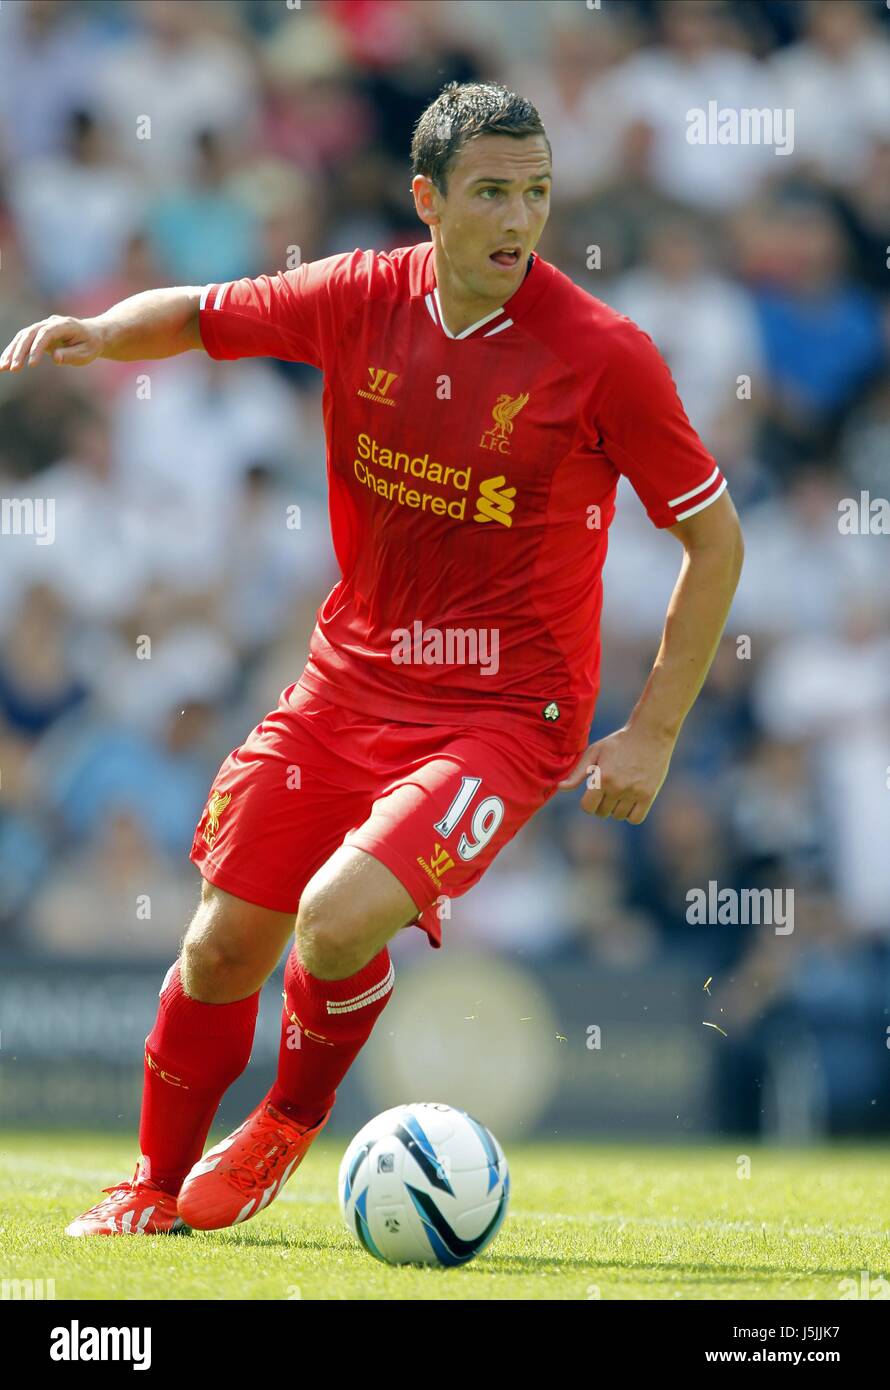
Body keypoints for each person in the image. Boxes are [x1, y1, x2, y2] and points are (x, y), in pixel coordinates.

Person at [0, 82, 743, 1237]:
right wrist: (102, 334)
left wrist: (650, 727)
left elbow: (712, 536)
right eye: (490, 191)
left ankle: (287, 1121)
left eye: (536, 192)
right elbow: (198, 314)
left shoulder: (603, 357)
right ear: (427, 201)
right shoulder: (357, 296)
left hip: (507, 712)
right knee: (219, 943)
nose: (517, 217)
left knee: (336, 918)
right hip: (347, 681)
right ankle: (147, 1188)